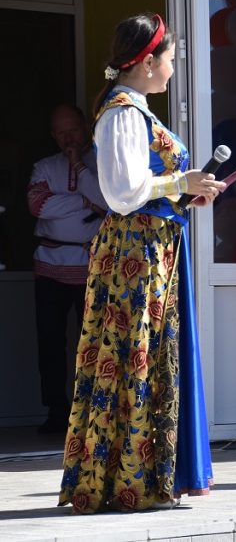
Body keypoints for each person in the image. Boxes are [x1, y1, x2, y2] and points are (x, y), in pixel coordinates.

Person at [58, 13, 225, 513]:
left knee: (149, 352)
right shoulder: (123, 113)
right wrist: (180, 183)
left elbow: (144, 189)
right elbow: (122, 193)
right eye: (169, 59)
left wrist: (184, 194)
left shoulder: (135, 110)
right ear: (148, 62)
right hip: (136, 251)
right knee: (136, 352)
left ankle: (147, 477)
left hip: (154, 246)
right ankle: (131, 482)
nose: (173, 69)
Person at [28, 105, 108, 435]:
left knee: (93, 342)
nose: (68, 138)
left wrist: (81, 171)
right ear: (53, 136)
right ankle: (56, 411)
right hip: (50, 265)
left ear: (85, 127)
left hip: (94, 264)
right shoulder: (44, 167)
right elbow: (38, 206)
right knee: (50, 341)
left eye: (72, 130)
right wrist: (85, 202)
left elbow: (107, 201)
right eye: (61, 133)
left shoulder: (103, 163)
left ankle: (94, 412)